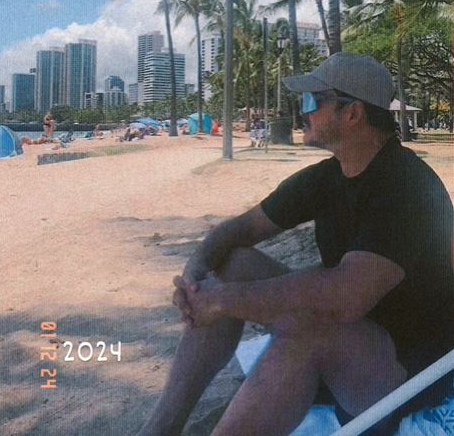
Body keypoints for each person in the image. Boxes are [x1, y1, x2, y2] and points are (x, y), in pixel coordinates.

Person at [137, 53, 454, 436]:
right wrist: (196, 276)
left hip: (409, 371)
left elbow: (345, 296)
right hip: (354, 336)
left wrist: (221, 301)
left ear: (353, 114)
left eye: (311, 101)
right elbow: (241, 229)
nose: (302, 111)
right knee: (234, 264)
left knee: (311, 326)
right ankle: (160, 429)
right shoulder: (327, 177)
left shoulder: (407, 186)